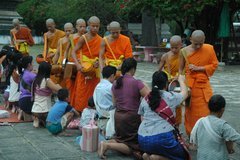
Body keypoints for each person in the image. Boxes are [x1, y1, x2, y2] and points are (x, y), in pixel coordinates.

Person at [98, 58, 150, 159]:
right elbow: (150, 97)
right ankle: (107, 145)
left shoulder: (115, 83)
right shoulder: (137, 82)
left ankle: (105, 143)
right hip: (131, 118)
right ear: (133, 69)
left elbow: (114, 103)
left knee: (121, 139)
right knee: (132, 147)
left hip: (118, 116)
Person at [138, 71, 188, 160]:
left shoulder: (145, 99)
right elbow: (185, 93)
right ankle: (156, 158)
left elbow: (142, 118)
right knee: (183, 155)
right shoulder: (171, 97)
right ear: (166, 84)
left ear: (153, 83)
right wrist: (181, 80)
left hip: (143, 140)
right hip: (162, 140)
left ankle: (148, 156)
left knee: (154, 147)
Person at [179, 30, 219, 136]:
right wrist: (181, 85)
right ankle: (192, 135)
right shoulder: (184, 51)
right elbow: (180, 70)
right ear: (190, 39)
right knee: (191, 113)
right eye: (195, 43)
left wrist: (199, 68)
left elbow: (214, 64)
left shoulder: (209, 49)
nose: (198, 46)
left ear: (204, 40)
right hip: (191, 87)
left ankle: (205, 135)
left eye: (200, 44)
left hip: (204, 85)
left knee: (206, 111)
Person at [190, 95, 240, 160]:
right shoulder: (222, 125)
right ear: (222, 110)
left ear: (209, 107)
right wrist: (230, 146)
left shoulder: (200, 122)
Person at [71, 16, 102, 112]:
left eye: (97, 26)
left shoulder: (101, 39)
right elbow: (73, 52)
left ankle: (93, 111)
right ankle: (80, 110)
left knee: (94, 90)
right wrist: (78, 65)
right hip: (84, 69)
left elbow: (102, 55)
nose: (95, 28)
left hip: (95, 70)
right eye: (93, 26)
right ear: (89, 25)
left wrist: (99, 63)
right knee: (82, 91)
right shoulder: (83, 38)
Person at [159, 35, 183, 127]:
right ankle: (166, 123)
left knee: (178, 104)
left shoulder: (183, 56)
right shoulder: (165, 56)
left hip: (178, 83)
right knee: (166, 103)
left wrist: (179, 76)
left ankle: (177, 125)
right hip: (167, 83)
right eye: (171, 47)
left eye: (176, 48)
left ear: (181, 45)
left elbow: (185, 70)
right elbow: (159, 71)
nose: (173, 50)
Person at [31, 61, 62, 128]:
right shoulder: (47, 80)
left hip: (34, 110)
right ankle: (42, 120)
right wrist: (58, 85)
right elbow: (58, 89)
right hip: (45, 111)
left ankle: (37, 119)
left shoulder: (36, 79)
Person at [64, 19, 86, 102]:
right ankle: (71, 101)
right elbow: (66, 50)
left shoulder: (87, 37)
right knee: (70, 83)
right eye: (80, 26)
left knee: (80, 84)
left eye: (84, 26)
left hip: (83, 61)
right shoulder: (72, 37)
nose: (82, 28)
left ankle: (79, 101)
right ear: (76, 27)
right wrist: (64, 62)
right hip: (72, 61)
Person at [93, 66, 117, 138]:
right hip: (110, 117)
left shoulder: (97, 87)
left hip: (100, 116)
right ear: (112, 76)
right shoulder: (111, 87)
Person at [18, 56, 36, 120]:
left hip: (21, 100)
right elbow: (41, 81)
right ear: (29, 64)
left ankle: (23, 112)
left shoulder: (23, 73)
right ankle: (25, 114)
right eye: (32, 63)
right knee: (40, 117)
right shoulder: (30, 75)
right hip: (27, 101)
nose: (33, 65)